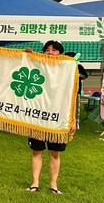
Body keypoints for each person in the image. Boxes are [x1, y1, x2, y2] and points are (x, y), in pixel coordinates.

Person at [26, 41, 75, 195]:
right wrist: (28, 56)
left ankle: (54, 184)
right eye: (47, 50)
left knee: (55, 153)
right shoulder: (38, 67)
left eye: (54, 50)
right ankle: (35, 183)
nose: (50, 52)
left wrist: (72, 120)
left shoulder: (68, 71)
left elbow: (71, 98)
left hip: (57, 118)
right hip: (38, 117)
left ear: (60, 53)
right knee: (37, 150)